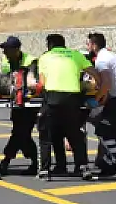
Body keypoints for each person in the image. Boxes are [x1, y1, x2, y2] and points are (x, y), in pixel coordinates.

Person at [36, 34, 102, 180]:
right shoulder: (75, 54)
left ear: (49, 45)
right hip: (73, 98)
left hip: (53, 97)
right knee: (74, 134)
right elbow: (93, 72)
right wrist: (97, 86)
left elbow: (42, 82)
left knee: (46, 134)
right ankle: (83, 167)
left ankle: (45, 170)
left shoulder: (45, 57)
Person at [85, 32, 116, 177]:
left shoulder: (101, 59)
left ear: (94, 45)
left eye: (88, 44)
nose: (87, 46)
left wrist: (96, 100)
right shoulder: (112, 55)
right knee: (111, 132)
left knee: (103, 130)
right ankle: (111, 164)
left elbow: (106, 83)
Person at [0, 36, 39, 176]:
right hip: (16, 102)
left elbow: (32, 81)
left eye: (6, 49)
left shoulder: (30, 61)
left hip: (29, 103)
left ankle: (7, 161)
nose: (4, 52)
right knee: (21, 133)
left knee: (20, 132)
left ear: (16, 49)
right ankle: (34, 163)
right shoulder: (7, 61)